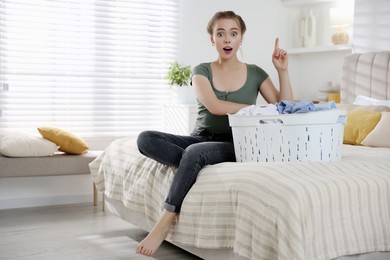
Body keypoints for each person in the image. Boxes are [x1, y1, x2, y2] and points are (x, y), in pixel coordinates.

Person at [135, 10, 293, 256]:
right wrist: (255, 109)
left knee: (194, 153)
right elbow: (215, 107)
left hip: (236, 141)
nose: (227, 39)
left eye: (233, 33)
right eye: (220, 34)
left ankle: (166, 218)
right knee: (146, 138)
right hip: (200, 136)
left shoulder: (256, 73)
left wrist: (282, 71)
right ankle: (194, 164)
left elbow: (284, 109)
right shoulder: (201, 71)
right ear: (212, 39)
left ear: (241, 39)